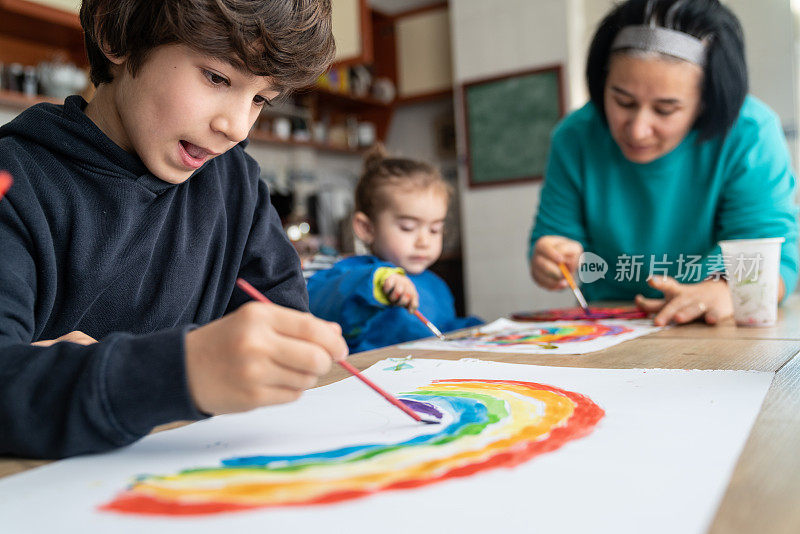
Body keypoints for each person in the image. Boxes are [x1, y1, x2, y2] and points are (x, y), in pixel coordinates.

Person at [0, 0, 349, 459]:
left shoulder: (235, 186)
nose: (237, 128)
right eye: (217, 78)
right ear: (116, 34)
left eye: (260, 99)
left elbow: (285, 335)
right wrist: (185, 371)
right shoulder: (15, 180)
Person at [529, 0, 798, 326]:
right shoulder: (575, 137)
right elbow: (554, 236)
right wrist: (552, 257)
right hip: (611, 323)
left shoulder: (750, 133)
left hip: (716, 324)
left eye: (665, 110)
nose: (638, 129)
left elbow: (773, 256)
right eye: (622, 101)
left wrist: (726, 291)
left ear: (705, 102)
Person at [308, 145, 482, 353]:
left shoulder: (436, 285)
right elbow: (322, 303)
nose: (424, 241)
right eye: (407, 228)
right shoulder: (352, 272)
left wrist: (479, 330)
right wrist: (379, 282)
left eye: (435, 230)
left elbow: (442, 331)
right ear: (366, 228)